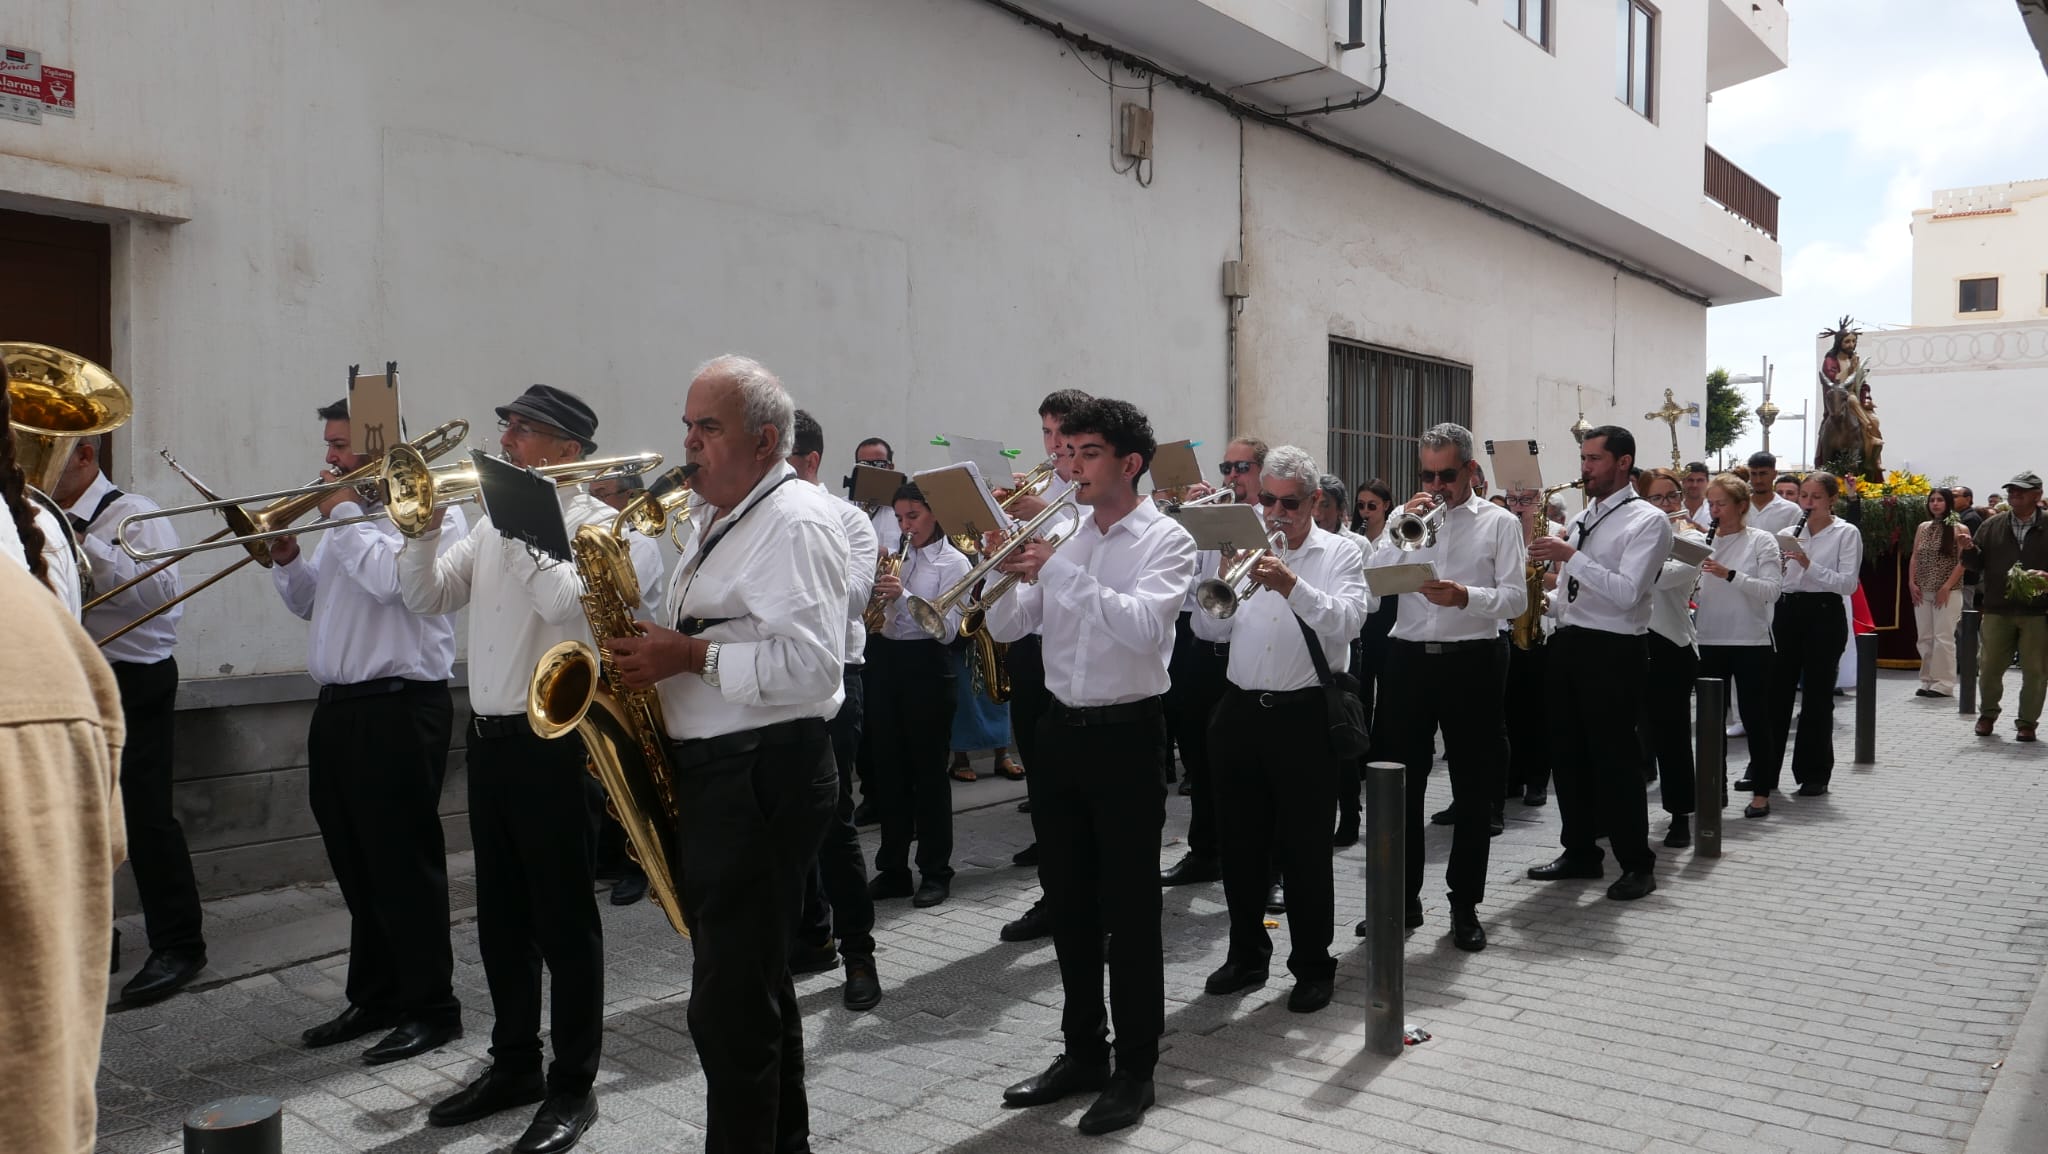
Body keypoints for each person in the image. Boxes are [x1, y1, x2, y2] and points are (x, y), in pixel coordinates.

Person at [403, 384, 660, 1153]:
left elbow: (570, 607)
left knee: (563, 921)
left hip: (557, 743)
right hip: (487, 738)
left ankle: (573, 1084)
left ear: (570, 450)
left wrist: (516, 526)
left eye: (524, 429)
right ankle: (513, 1061)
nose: (506, 437)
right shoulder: (488, 527)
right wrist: (419, 530)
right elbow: (422, 596)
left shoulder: (604, 526)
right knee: (502, 916)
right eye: (507, 425)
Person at [606, 355, 848, 1153]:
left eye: (708, 428)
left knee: (728, 1009)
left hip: (762, 773)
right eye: (688, 425)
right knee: (756, 993)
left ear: (764, 440)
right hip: (728, 772)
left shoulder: (795, 521)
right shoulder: (723, 514)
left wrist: (689, 659)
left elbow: (812, 665)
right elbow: (721, 625)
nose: (689, 444)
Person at [986, 397, 1197, 1136]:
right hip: (1060, 733)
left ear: (1129, 464)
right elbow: (1006, 626)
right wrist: (1011, 572)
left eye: (1086, 454)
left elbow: (1143, 630)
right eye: (1065, 452)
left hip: (1128, 736)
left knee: (1131, 911)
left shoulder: (1166, 540)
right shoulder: (1064, 534)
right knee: (1069, 902)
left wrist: (1060, 573)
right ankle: (1083, 1053)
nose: (1069, 467)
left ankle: (1136, 1068)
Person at [269, 399, 467, 1065]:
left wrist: (341, 515)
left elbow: (395, 586)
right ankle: (378, 994)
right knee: (355, 858)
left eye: (341, 446)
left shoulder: (434, 510)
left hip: (401, 707)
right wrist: (288, 560)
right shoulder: (345, 520)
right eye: (327, 443)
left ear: (379, 448)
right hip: (340, 708)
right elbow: (309, 602)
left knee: (403, 864)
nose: (329, 458)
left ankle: (433, 1009)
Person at [1191, 446, 1368, 1010]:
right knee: (1241, 846)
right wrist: (1219, 580)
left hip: (1305, 714)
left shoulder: (1341, 551)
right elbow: (1209, 631)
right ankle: (1246, 956)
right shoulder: (1245, 549)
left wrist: (1291, 583)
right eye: (1266, 499)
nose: (1275, 512)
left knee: (1306, 850)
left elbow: (1349, 620)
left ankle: (1313, 963)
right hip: (1241, 710)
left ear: (1314, 501)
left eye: (1288, 503)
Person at [52, 434, 206, 1004]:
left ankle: (180, 944)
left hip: (134, 681)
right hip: (74, 677)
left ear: (86, 458)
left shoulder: (132, 515)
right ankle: (98, 938)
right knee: (78, 819)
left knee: (144, 817)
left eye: (51, 460)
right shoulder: (38, 517)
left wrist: (84, 543)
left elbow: (167, 595)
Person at [1369, 423, 1524, 949]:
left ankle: (1464, 906)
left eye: (1448, 475)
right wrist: (1400, 526)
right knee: (1399, 788)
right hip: (1409, 658)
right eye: (1427, 474)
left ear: (1471, 471)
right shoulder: (1402, 517)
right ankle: (1401, 901)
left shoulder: (1500, 523)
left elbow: (1515, 599)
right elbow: (1371, 580)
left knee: (1474, 788)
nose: (1438, 485)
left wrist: (1466, 597)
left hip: (1474, 659)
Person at [0, 557, 127, 1154]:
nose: (332, 461)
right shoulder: (39, 617)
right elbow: (109, 846)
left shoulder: (134, 515)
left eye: (341, 451)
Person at [1527, 425, 1670, 901]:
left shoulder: (1647, 521)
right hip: (1570, 642)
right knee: (1566, 756)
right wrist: (1540, 600)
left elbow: (1628, 594)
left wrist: (1571, 555)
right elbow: (1573, 588)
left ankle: (1637, 864)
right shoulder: (1588, 515)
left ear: (1623, 462)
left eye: (1594, 459)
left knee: (1616, 761)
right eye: (1584, 458)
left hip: (1614, 650)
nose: (1584, 467)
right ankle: (1580, 851)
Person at [784, 409, 882, 1011]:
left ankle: (860, 954)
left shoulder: (850, 521)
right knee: (781, 821)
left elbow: (852, 598)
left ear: (810, 461)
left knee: (834, 822)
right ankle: (809, 936)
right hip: (770, 681)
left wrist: (785, 565)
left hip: (836, 676)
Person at [995, 388, 1091, 943]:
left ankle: (1088, 899)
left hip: (1082, 645)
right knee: (1044, 772)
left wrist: (1047, 518)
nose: (1055, 448)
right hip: (1033, 638)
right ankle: (1055, 890)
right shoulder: (1043, 486)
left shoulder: (1085, 494)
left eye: (1064, 436)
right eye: (1049, 435)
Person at [1158, 435, 1263, 889]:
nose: (1230, 478)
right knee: (1200, 763)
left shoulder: (1269, 523)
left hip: (1247, 658)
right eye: (1226, 468)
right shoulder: (1204, 522)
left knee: (1252, 768)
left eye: (1241, 469)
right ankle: (1205, 853)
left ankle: (1268, 866)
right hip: (1202, 655)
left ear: (1261, 472)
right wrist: (1183, 524)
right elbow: (1184, 594)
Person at [864, 482, 970, 908]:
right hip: (885, 660)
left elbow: (947, 629)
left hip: (929, 665)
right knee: (887, 769)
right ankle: (893, 868)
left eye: (914, 517)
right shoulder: (893, 556)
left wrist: (903, 596)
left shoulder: (953, 562)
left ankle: (935, 870)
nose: (906, 527)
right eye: (901, 518)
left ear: (935, 514)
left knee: (927, 773)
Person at [1756, 471, 1860, 808]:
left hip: (1824, 614)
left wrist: (1807, 563)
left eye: (1816, 497)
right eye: (1804, 496)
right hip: (1788, 612)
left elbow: (1847, 584)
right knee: (1776, 694)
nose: (1808, 503)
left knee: (1816, 698)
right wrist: (1782, 569)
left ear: (1832, 499)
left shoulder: (1846, 533)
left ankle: (1813, 774)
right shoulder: (1787, 533)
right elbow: (1779, 581)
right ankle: (1764, 773)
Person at [1690, 473, 1782, 813]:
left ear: (1741, 506)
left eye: (1720, 504)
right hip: (1709, 638)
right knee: (1712, 721)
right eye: (1710, 504)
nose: (1713, 511)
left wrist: (1729, 574)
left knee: (1756, 718)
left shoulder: (1761, 541)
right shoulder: (1701, 541)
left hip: (1751, 641)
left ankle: (1762, 792)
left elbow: (1772, 590)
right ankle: (1715, 788)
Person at [1637, 469, 1707, 847]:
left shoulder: (1692, 537)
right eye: (1656, 499)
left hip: (1671, 646)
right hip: (1630, 643)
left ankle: (1681, 814)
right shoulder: (1634, 535)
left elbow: (1661, 578)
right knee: (1631, 738)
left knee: (1672, 737)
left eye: (1672, 497)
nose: (1666, 505)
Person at [1958, 472, 2048, 741]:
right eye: (2011, 490)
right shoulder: (1992, 524)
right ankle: (1987, 715)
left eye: (2021, 491)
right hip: (1997, 608)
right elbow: (1976, 565)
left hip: (2037, 612)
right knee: (1988, 668)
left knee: (2036, 671)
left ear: (2037, 495)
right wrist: (1968, 550)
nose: (2014, 494)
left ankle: (2027, 723)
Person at [1337, 479, 1397, 845]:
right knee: (1362, 694)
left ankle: (1378, 755)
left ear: (1386, 506)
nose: (1365, 512)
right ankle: (1359, 755)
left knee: (1384, 690)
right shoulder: (1356, 539)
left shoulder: (1392, 535)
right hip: (1363, 619)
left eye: (1372, 506)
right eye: (1361, 505)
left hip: (1386, 616)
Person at [1912, 487, 1966, 698]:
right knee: (1924, 637)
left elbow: (1963, 561)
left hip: (1948, 591)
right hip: (1923, 588)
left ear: (1948, 503)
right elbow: (1915, 556)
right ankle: (1927, 680)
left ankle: (1943, 683)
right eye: (1932, 500)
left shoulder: (1959, 528)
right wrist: (1911, 582)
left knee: (1943, 637)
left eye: (1940, 500)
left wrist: (1946, 587)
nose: (1935, 503)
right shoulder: (1923, 527)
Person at [1680, 461, 1713, 531]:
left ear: (1707, 482)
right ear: (1683, 482)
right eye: (1690, 480)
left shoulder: (1715, 509)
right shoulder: (1676, 509)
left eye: (1700, 480)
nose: (1694, 485)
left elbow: (1718, 539)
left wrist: (1689, 521)